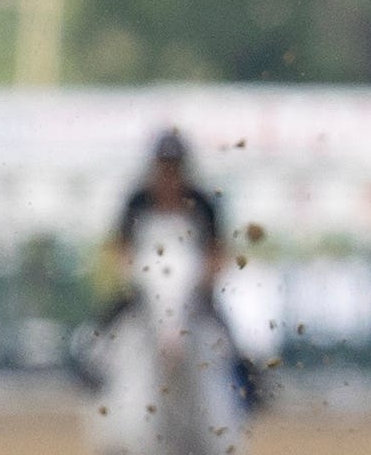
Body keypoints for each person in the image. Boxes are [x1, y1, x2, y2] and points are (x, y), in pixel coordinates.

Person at [91, 129, 260, 408]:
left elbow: (218, 251)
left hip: (192, 295)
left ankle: (248, 387)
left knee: (227, 337)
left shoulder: (202, 203)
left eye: (174, 166)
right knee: (104, 332)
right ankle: (92, 376)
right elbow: (117, 246)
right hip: (143, 293)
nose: (169, 174)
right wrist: (133, 272)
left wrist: (201, 280)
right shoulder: (138, 202)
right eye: (164, 166)